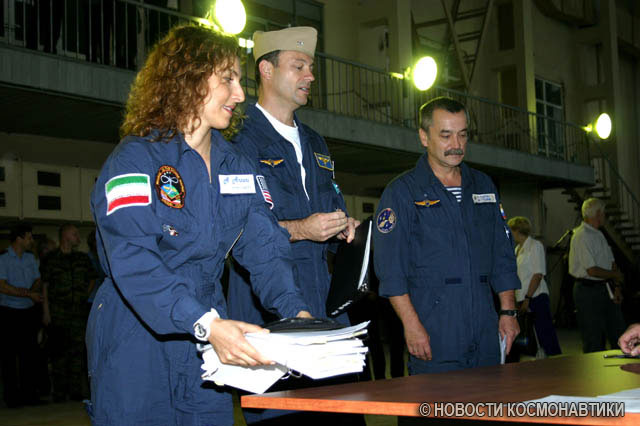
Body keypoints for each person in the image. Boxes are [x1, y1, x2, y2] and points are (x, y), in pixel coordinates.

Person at [86, 24, 311, 425]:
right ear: (186, 79)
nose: (239, 95)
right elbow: (133, 258)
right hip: (137, 330)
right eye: (227, 79)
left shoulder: (236, 166)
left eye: (239, 81)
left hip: (207, 331)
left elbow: (265, 246)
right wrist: (206, 323)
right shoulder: (135, 159)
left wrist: (296, 313)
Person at [225, 26, 361, 426]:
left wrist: (343, 229)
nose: (310, 76)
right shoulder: (235, 139)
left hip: (324, 312)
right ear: (266, 70)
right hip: (266, 312)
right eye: (298, 66)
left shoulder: (316, 142)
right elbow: (234, 233)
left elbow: (330, 213)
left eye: (311, 67)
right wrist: (302, 229)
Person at [373, 97, 520, 376]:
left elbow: (502, 255)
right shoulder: (402, 192)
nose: (457, 144)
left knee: (491, 401)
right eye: (446, 135)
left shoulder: (483, 186)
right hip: (435, 332)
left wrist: (508, 312)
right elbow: (391, 270)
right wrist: (411, 325)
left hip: (485, 331)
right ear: (424, 137)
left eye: (463, 135)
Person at [41, 224, 96, 402]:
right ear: (65, 236)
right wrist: (46, 311)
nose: (78, 237)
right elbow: (45, 286)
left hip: (78, 313)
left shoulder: (82, 259)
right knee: (58, 352)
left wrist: (84, 295)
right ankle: (59, 392)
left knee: (77, 353)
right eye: (74, 234)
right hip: (58, 313)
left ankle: (75, 391)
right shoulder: (51, 259)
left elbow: (92, 279)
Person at [568, 197, 626, 353]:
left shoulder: (599, 234)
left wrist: (617, 287)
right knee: (593, 338)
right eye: (604, 213)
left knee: (617, 331)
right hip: (587, 290)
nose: (605, 216)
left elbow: (611, 263)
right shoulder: (581, 236)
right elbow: (591, 270)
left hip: (605, 287)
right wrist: (614, 276)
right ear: (598, 213)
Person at [0, 221, 44, 408]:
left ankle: (29, 395)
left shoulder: (30, 258)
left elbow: (38, 279)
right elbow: (2, 286)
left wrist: (31, 293)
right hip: (8, 312)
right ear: (19, 238)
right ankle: (12, 398)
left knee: (29, 355)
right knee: (9, 357)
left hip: (28, 312)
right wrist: (29, 294)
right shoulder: (3, 259)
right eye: (29, 237)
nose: (32, 241)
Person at [507, 216, 562, 358]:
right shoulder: (518, 249)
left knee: (544, 333)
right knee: (531, 336)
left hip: (536, 296)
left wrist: (528, 298)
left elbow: (538, 274)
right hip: (523, 297)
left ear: (517, 230)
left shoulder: (535, 246)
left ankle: (554, 360)